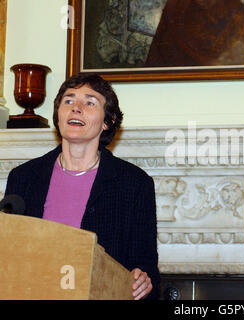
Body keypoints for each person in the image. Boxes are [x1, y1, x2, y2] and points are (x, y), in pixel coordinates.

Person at [4, 73, 160, 300]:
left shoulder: (135, 183)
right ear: (58, 116)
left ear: (108, 121)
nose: (76, 108)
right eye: (68, 101)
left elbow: (146, 268)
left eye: (89, 102)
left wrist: (143, 281)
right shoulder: (24, 178)